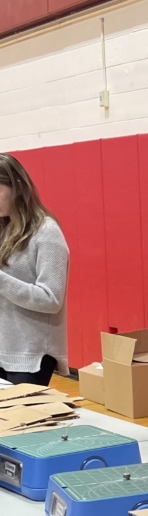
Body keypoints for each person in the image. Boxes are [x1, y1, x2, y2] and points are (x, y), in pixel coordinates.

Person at [0, 154, 69, 387]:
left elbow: (51, 299)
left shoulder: (46, 232)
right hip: (4, 348)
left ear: (18, 187)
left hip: (31, 355)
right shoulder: (3, 229)